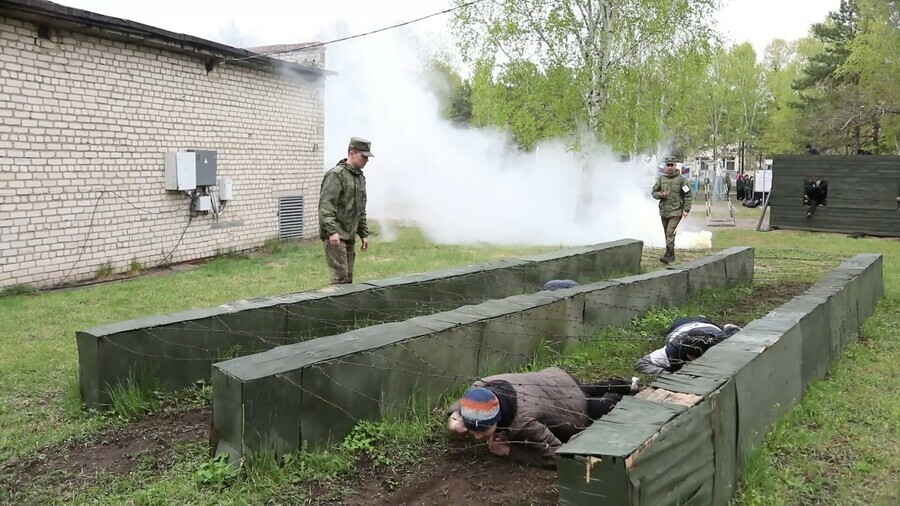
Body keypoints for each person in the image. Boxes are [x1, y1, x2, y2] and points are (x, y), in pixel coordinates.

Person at [444, 367, 639, 469]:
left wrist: (509, 451)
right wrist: (455, 418)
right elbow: (463, 403)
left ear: (498, 417)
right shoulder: (479, 388)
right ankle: (624, 384)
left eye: (482, 430)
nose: (477, 437)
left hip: (574, 407)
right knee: (587, 388)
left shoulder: (524, 422)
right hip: (553, 379)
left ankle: (624, 396)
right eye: (473, 429)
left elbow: (560, 457)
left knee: (600, 405)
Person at [318, 137, 373, 284]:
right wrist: (332, 232)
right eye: (364, 156)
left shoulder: (359, 178)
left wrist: (363, 233)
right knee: (339, 278)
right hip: (336, 236)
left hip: (349, 236)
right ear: (352, 153)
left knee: (348, 278)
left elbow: (360, 209)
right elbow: (326, 207)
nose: (366, 160)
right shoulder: (336, 175)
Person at [634, 316, 741, 376]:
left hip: (709, 326)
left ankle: (725, 327)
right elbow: (642, 363)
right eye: (693, 360)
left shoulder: (722, 344)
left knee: (733, 333)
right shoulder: (672, 350)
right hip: (680, 325)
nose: (695, 363)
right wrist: (670, 376)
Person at [651, 156, 693, 264]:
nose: (670, 167)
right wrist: (660, 194)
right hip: (664, 211)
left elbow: (688, 195)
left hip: (676, 211)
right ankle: (669, 253)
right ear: (666, 167)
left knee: (670, 232)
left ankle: (670, 255)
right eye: (668, 165)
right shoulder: (661, 179)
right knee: (667, 233)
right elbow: (654, 192)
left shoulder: (682, 180)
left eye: (672, 165)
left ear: (675, 166)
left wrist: (686, 209)